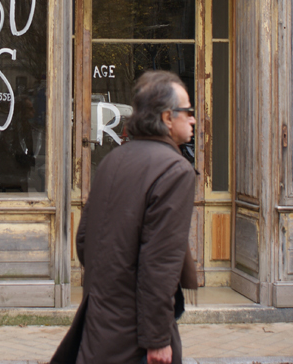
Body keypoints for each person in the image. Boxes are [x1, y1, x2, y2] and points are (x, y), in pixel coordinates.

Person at [52, 71, 197, 364]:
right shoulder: (175, 170)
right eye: (188, 112)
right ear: (168, 118)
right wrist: (157, 340)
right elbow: (160, 262)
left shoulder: (113, 159)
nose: (193, 119)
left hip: (99, 321)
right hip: (137, 335)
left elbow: (84, 240)